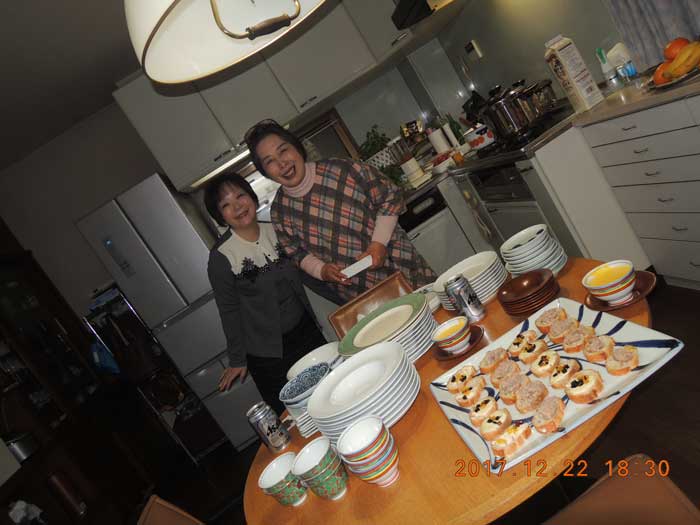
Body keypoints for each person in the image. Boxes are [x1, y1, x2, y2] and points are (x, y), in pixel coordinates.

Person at [244, 119, 437, 303]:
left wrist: (378, 243)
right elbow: (296, 253)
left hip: (404, 268)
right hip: (363, 295)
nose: (281, 163)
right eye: (269, 161)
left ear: (296, 147)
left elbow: (389, 196)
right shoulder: (280, 212)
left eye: (283, 150)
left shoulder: (343, 169)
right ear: (265, 172)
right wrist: (321, 270)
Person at [205, 172, 328, 414]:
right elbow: (229, 310)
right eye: (226, 205)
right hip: (269, 356)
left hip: (308, 333)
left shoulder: (276, 230)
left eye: (240, 196)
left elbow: (306, 272)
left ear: (251, 196)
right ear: (219, 215)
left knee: (329, 393)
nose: (237, 207)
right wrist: (237, 359)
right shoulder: (221, 257)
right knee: (297, 415)